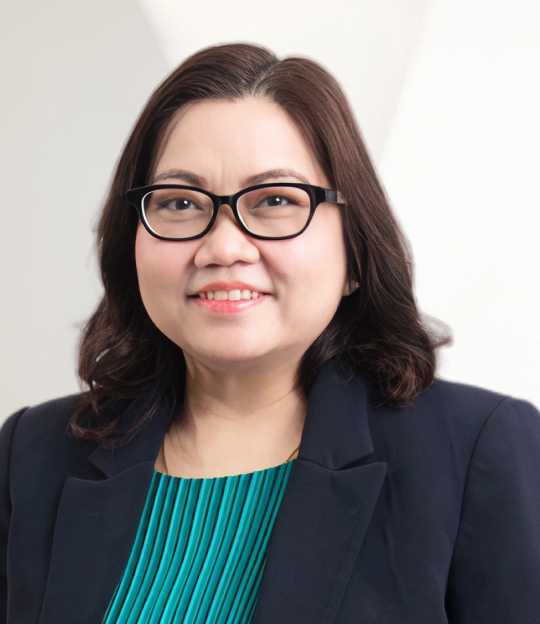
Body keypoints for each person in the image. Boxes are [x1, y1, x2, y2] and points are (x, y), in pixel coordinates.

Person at [1, 42, 539, 624]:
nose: (223, 247)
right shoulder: (32, 454)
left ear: (355, 252)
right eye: (180, 203)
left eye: (276, 200)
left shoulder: (478, 452)